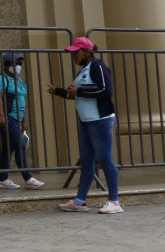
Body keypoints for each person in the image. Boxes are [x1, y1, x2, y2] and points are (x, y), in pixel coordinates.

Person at [48, 36, 122, 214]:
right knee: (87, 161)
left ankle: (114, 201)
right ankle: (80, 201)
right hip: (86, 121)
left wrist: (79, 90)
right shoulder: (83, 70)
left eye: (76, 52)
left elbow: (106, 91)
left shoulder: (98, 66)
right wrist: (59, 91)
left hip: (100, 120)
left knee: (104, 159)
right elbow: (76, 95)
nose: (73, 55)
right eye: (72, 52)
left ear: (88, 52)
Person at [0, 52, 44, 190]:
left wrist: (24, 119)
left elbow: (22, 100)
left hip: (18, 118)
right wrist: (1, 115)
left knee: (8, 148)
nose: (19, 66)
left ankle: (3, 179)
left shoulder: (19, 80)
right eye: (17, 64)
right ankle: (28, 178)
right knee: (20, 146)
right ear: (8, 64)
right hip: (9, 117)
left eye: (20, 64)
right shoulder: (1, 79)